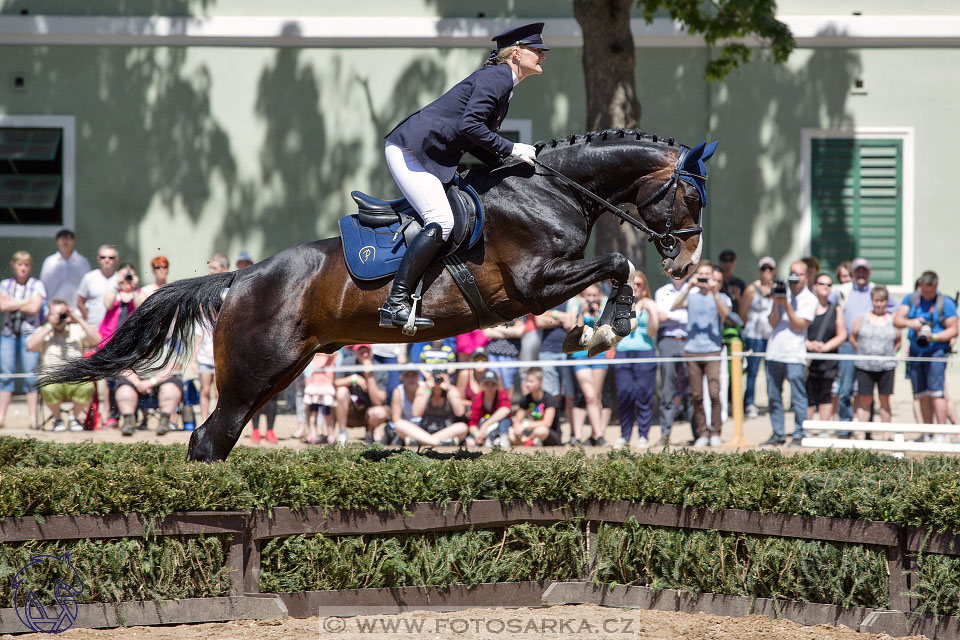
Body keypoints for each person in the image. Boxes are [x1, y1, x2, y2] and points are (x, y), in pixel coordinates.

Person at [378, 23, 548, 329]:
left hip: (427, 153)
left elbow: (473, 139)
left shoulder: (503, 83)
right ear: (518, 53)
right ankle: (395, 303)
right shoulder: (498, 77)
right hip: (412, 151)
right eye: (537, 51)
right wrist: (512, 148)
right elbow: (471, 127)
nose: (542, 56)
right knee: (441, 221)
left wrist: (508, 162)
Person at [828, 258, 895, 426]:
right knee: (845, 389)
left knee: (866, 394)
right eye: (858, 270)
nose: (861, 274)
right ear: (853, 273)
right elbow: (827, 307)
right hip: (848, 345)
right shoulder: (843, 290)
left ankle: (866, 431)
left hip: (873, 352)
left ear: (869, 273)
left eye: (864, 271)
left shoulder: (876, 291)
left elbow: (896, 311)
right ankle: (845, 427)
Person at [671, 261, 729, 446]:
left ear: (713, 277)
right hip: (692, 351)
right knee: (696, 395)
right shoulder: (692, 295)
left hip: (713, 350)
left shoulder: (721, 296)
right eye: (701, 274)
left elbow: (725, 315)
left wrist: (714, 292)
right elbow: (675, 305)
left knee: (714, 393)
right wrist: (688, 287)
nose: (704, 277)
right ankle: (702, 433)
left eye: (707, 274)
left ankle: (715, 432)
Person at [762, 260, 817, 446]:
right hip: (774, 352)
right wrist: (776, 302)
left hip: (795, 354)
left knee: (798, 397)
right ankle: (778, 434)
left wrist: (785, 304)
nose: (795, 277)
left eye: (799, 274)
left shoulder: (810, 299)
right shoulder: (782, 292)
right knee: (773, 396)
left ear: (807, 276)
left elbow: (799, 324)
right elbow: (772, 323)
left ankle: (799, 433)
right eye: (792, 272)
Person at [894, 271, 958, 426]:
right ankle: (928, 433)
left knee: (937, 394)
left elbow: (954, 329)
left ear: (936, 287)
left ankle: (941, 432)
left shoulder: (945, 303)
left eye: (930, 292)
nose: (926, 295)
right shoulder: (912, 298)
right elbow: (897, 320)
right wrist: (912, 323)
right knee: (920, 394)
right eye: (923, 290)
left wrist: (934, 337)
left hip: (935, 353)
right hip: (916, 352)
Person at [26, 300, 100, 431]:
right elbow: (30, 346)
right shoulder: (43, 331)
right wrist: (49, 325)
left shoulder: (76, 330)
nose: (59, 317)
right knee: (48, 388)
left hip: (75, 377)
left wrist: (77, 318)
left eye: (62, 313)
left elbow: (97, 340)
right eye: (55, 314)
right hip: (52, 378)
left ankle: (75, 418)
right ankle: (58, 419)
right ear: (48, 315)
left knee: (87, 386)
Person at [612, 271, 658, 449]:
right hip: (623, 353)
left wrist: (652, 312)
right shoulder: (620, 304)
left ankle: (643, 435)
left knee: (644, 396)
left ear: (645, 287)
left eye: (639, 284)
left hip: (644, 352)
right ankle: (624, 435)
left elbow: (652, 332)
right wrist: (635, 311)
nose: (636, 288)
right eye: (634, 284)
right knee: (625, 395)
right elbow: (618, 331)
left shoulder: (649, 303)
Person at [0, 251, 46, 428]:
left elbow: (35, 308)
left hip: (30, 335)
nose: (23, 268)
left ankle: (33, 420)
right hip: (8, 335)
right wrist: (25, 302)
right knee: (5, 376)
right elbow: (3, 305)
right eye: (20, 264)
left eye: (26, 265)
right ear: (14, 265)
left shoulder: (37, 284)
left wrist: (14, 303)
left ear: (30, 267)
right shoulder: (5, 284)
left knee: (31, 377)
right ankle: (1, 418)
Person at [851, 285, 899, 435]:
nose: (879, 304)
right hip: (865, 367)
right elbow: (852, 337)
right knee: (865, 401)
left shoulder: (893, 320)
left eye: (882, 301)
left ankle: (886, 436)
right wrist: (861, 351)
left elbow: (898, 341)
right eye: (876, 300)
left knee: (884, 401)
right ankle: (861, 436)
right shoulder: (863, 318)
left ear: (886, 302)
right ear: (872, 301)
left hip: (886, 368)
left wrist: (888, 354)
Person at [567, 285, 609, 446]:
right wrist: (580, 314)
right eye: (588, 295)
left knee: (596, 398)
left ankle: (595, 435)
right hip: (580, 356)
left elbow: (604, 333)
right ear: (583, 296)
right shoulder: (576, 307)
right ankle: (598, 435)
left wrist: (597, 314)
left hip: (599, 354)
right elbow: (574, 333)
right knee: (590, 396)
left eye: (594, 295)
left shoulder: (603, 309)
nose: (591, 299)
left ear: (599, 296)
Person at [805, 273, 847, 422]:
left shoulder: (835, 309)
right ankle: (806, 429)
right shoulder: (807, 307)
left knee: (826, 395)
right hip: (808, 360)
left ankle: (823, 428)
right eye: (822, 284)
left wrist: (825, 347)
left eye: (829, 285)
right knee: (807, 395)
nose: (825, 287)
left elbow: (842, 334)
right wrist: (809, 344)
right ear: (815, 286)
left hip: (828, 360)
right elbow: (797, 329)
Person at [654, 273, 690, 446]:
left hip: (689, 342)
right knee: (667, 389)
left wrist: (671, 314)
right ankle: (665, 433)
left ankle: (698, 434)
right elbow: (661, 317)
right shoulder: (662, 292)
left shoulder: (694, 290)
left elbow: (693, 318)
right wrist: (682, 312)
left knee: (693, 389)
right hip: (668, 341)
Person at [739, 257, 776, 419]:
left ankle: (772, 402)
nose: (767, 272)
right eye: (764, 268)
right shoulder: (751, 288)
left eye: (770, 269)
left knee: (772, 372)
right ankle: (749, 403)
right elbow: (742, 313)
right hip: (754, 336)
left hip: (772, 336)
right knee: (752, 372)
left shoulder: (778, 288)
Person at [333, 344, 389, 444]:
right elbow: (335, 383)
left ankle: (371, 431)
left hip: (369, 412)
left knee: (380, 412)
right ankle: (342, 432)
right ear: (355, 352)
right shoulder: (348, 362)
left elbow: (379, 401)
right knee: (341, 392)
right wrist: (353, 379)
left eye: (367, 351)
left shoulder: (379, 369)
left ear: (372, 352)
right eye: (361, 352)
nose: (365, 355)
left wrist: (370, 376)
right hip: (351, 411)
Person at [115, 363, 183, 436]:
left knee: (170, 388)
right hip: (134, 382)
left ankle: (164, 423)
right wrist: (138, 383)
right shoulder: (128, 351)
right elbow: (123, 366)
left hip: (160, 381)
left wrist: (152, 382)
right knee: (124, 390)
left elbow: (175, 365)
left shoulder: (167, 351)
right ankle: (128, 423)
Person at [408, 369, 468, 446]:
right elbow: (416, 413)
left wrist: (448, 389)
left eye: (440, 377)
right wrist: (428, 390)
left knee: (463, 427)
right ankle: (437, 442)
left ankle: (423, 442)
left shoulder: (452, 389)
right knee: (399, 424)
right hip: (425, 431)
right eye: (435, 377)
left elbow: (460, 413)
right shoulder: (424, 389)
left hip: (447, 432)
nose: (437, 380)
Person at [39, 229, 91, 309]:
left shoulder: (82, 262)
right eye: (62, 239)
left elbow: (87, 286)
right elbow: (43, 285)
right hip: (53, 310)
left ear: (73, 242)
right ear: (57, 242)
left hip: (76, 311)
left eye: (68, 239)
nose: (65, 242)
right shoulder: (50, 261)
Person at [509, 367, 562, 446]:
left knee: (541, 430)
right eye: (527, 381)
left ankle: (529, 441)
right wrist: (517, 428)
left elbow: (547, 423)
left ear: (540, 381)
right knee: (511, 431)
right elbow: (517, 420)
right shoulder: (526, 399)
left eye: (531, 381)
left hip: (549, 434)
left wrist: (525, 425)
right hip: (533, 432)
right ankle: (532, 442)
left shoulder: (549, 399)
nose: (527, 384)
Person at [76, 244, 119, 330]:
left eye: (111, 257)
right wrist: (87, 317)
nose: (107, 260)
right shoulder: (89, 277)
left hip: (115, 330)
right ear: (98, 259)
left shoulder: (120, 279)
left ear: (116, 260)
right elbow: (80, 302)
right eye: (103, 257)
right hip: (94, 328)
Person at [467, 370, 512, 448]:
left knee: (505, 420)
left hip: (501, 430)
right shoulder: (477, 399)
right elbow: (472, 424)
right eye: (487, 384)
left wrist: (485, 425)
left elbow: (506, 410)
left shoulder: (501, 395)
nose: (490, 388)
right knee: (470, 442)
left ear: (497, 385)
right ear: (482, 385)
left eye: (493, 384)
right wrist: (478, 434)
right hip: (484, 433)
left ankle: (503, 441)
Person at [99, 263, 143, 343]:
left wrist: (133, 288)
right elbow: (108, 305)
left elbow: (140, 308)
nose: (127, 279)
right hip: (109, 340)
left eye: (130, 276)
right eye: (124, 276)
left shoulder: (139, 293)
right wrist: (117, 285)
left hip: (131, 340)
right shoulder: (113, 292)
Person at [302, 351, 337, 444]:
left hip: (326, 387)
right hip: (315, 387)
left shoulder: (331, 354)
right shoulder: (315, 354)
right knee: (313, 414)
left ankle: (331, 435)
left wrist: (320, 351)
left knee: (327, 414)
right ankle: (313, 434)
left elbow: (332, 355)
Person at [484, 318, 525, 396]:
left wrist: (495, 328)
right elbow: (486, 332)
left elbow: (518, 332)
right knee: (493, 382)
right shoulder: (494, 311)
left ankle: (506, 405)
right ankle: (497, 405)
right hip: (492, 354)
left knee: (507, 384)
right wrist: (510, 332)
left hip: (510, 356)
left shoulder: (519, 313)